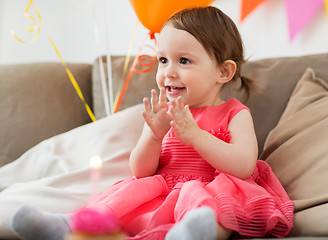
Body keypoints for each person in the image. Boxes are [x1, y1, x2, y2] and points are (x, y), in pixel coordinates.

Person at [10, 6, 294, 240]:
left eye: (184, 61)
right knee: (123, 198)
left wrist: (196, 136)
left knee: (212, 209)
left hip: (209, 188)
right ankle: (67, 227)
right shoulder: (165, 112)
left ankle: (192, 234)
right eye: (162, 60)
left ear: (223, 71)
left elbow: (243, 166)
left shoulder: (235, 112)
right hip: (163, 192)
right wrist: (154, 137)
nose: (168, 72)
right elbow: (141, 171)